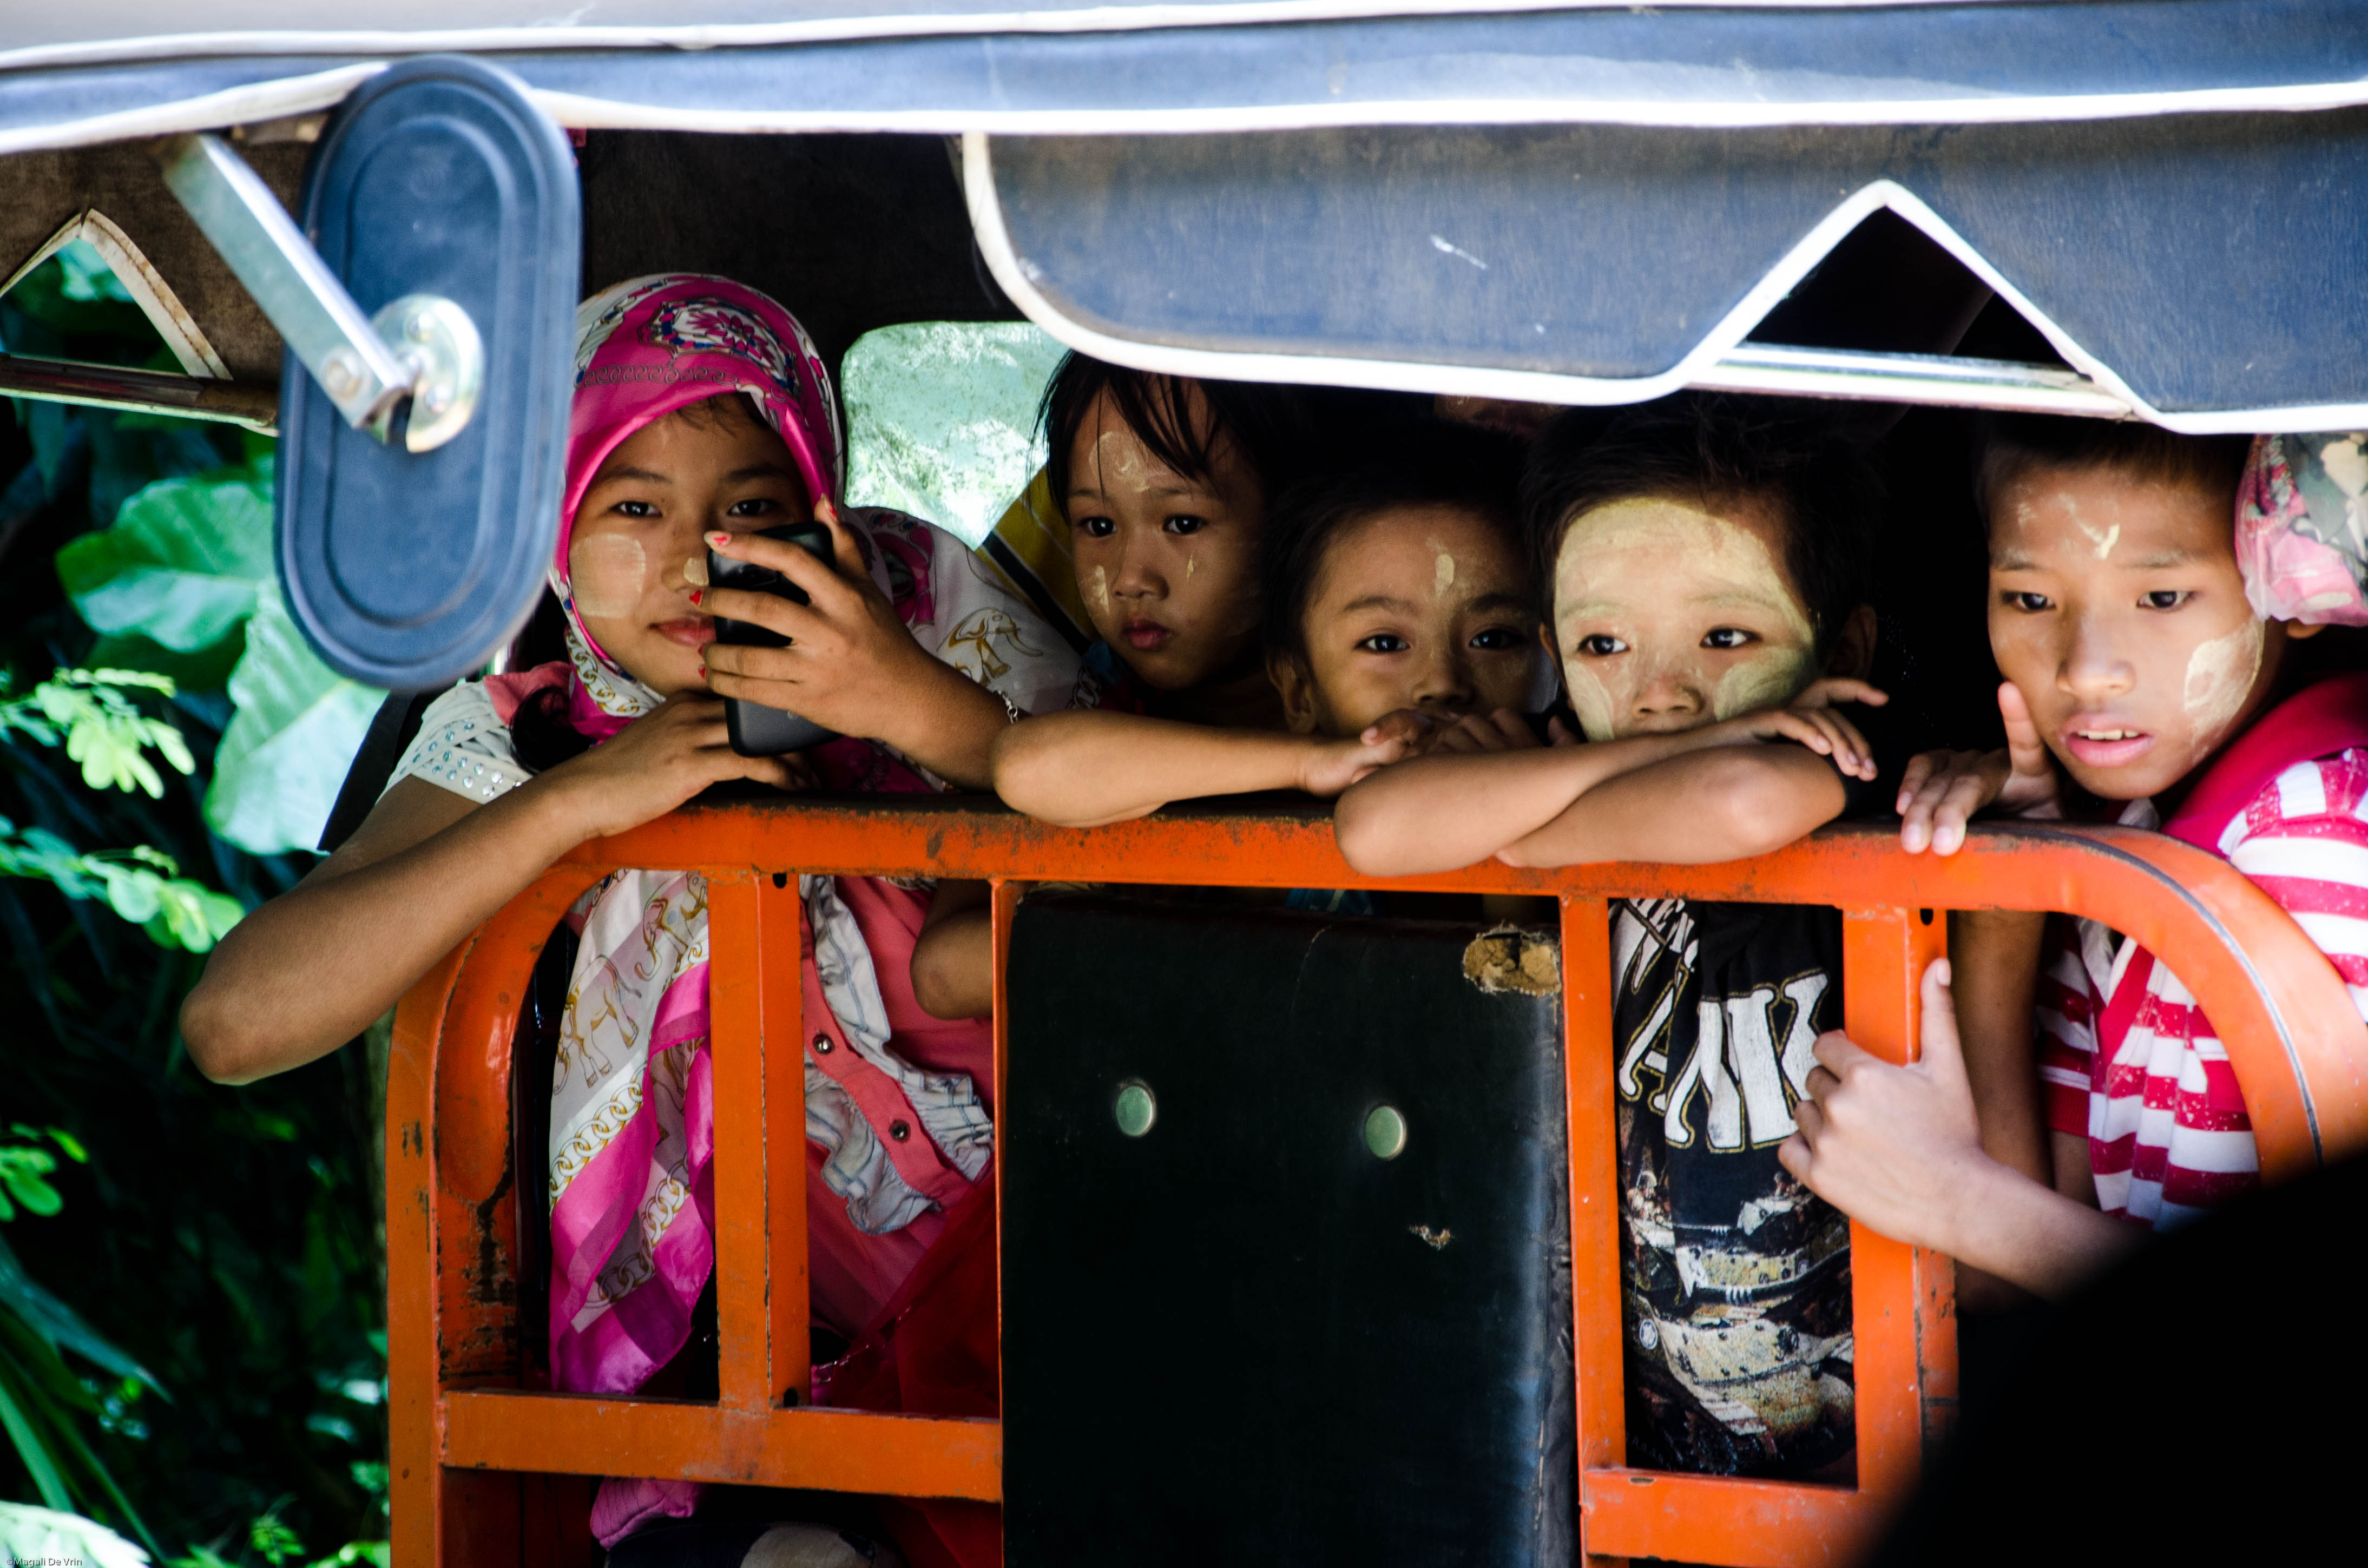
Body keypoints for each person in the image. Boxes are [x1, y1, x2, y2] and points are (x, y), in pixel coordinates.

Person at [178, 275, 1078, 1564]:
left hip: (1061, 1285)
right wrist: (581, 805)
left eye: (751, 510)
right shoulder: (526, 732)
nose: (693, 561)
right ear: (554, 521)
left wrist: (898, 702)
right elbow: (234, 1024)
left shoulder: (923, 616)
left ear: (823, 513)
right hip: (736, 1389)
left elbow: (1128, 855)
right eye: (634, 507)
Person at [1333, 394, 1896, 1479]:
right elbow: (1373, 828)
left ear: (1844, 644)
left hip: (1859, 1466)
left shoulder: (1837, 753)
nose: (1660, 695)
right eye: (1604, 644)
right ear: (1554, 652)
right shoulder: (1576, 758)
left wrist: (1515, 828)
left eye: (1725, 638)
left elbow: (1737, 800)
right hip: (1632, 1452)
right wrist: (1584, 784)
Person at [1791, 418, 2368, 1300]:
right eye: (2029, 599)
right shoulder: (2125, 833)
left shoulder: (2321, 836)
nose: (2086, 670)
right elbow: (2004, 1276)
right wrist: (2010, 876)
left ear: (2295, 580)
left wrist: (1954, 1198)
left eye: (2163, 596)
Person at [994, 419, 1547, 826]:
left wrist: (1509, 804)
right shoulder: (1303, 787)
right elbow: (1027, 766)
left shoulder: (1569, 790)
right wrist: (1314, 764)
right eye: (1384, 643)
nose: (1443, 684)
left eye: (1493, 639)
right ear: (1299, 692)